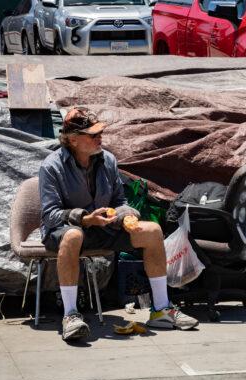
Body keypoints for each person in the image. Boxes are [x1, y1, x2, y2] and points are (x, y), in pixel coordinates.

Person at [39, 107, 199, 341]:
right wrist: (85, 218)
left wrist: (125, 216)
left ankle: (162, 309)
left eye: (100, 132)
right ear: (73, 140)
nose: (100, 138)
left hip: (104, 228)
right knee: (73, 235)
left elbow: (120, 201)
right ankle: (71, 315)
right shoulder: (51, 167)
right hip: (67, 232)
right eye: (93, 135)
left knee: (152, 230)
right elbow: (50, 214)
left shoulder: (108, 160)